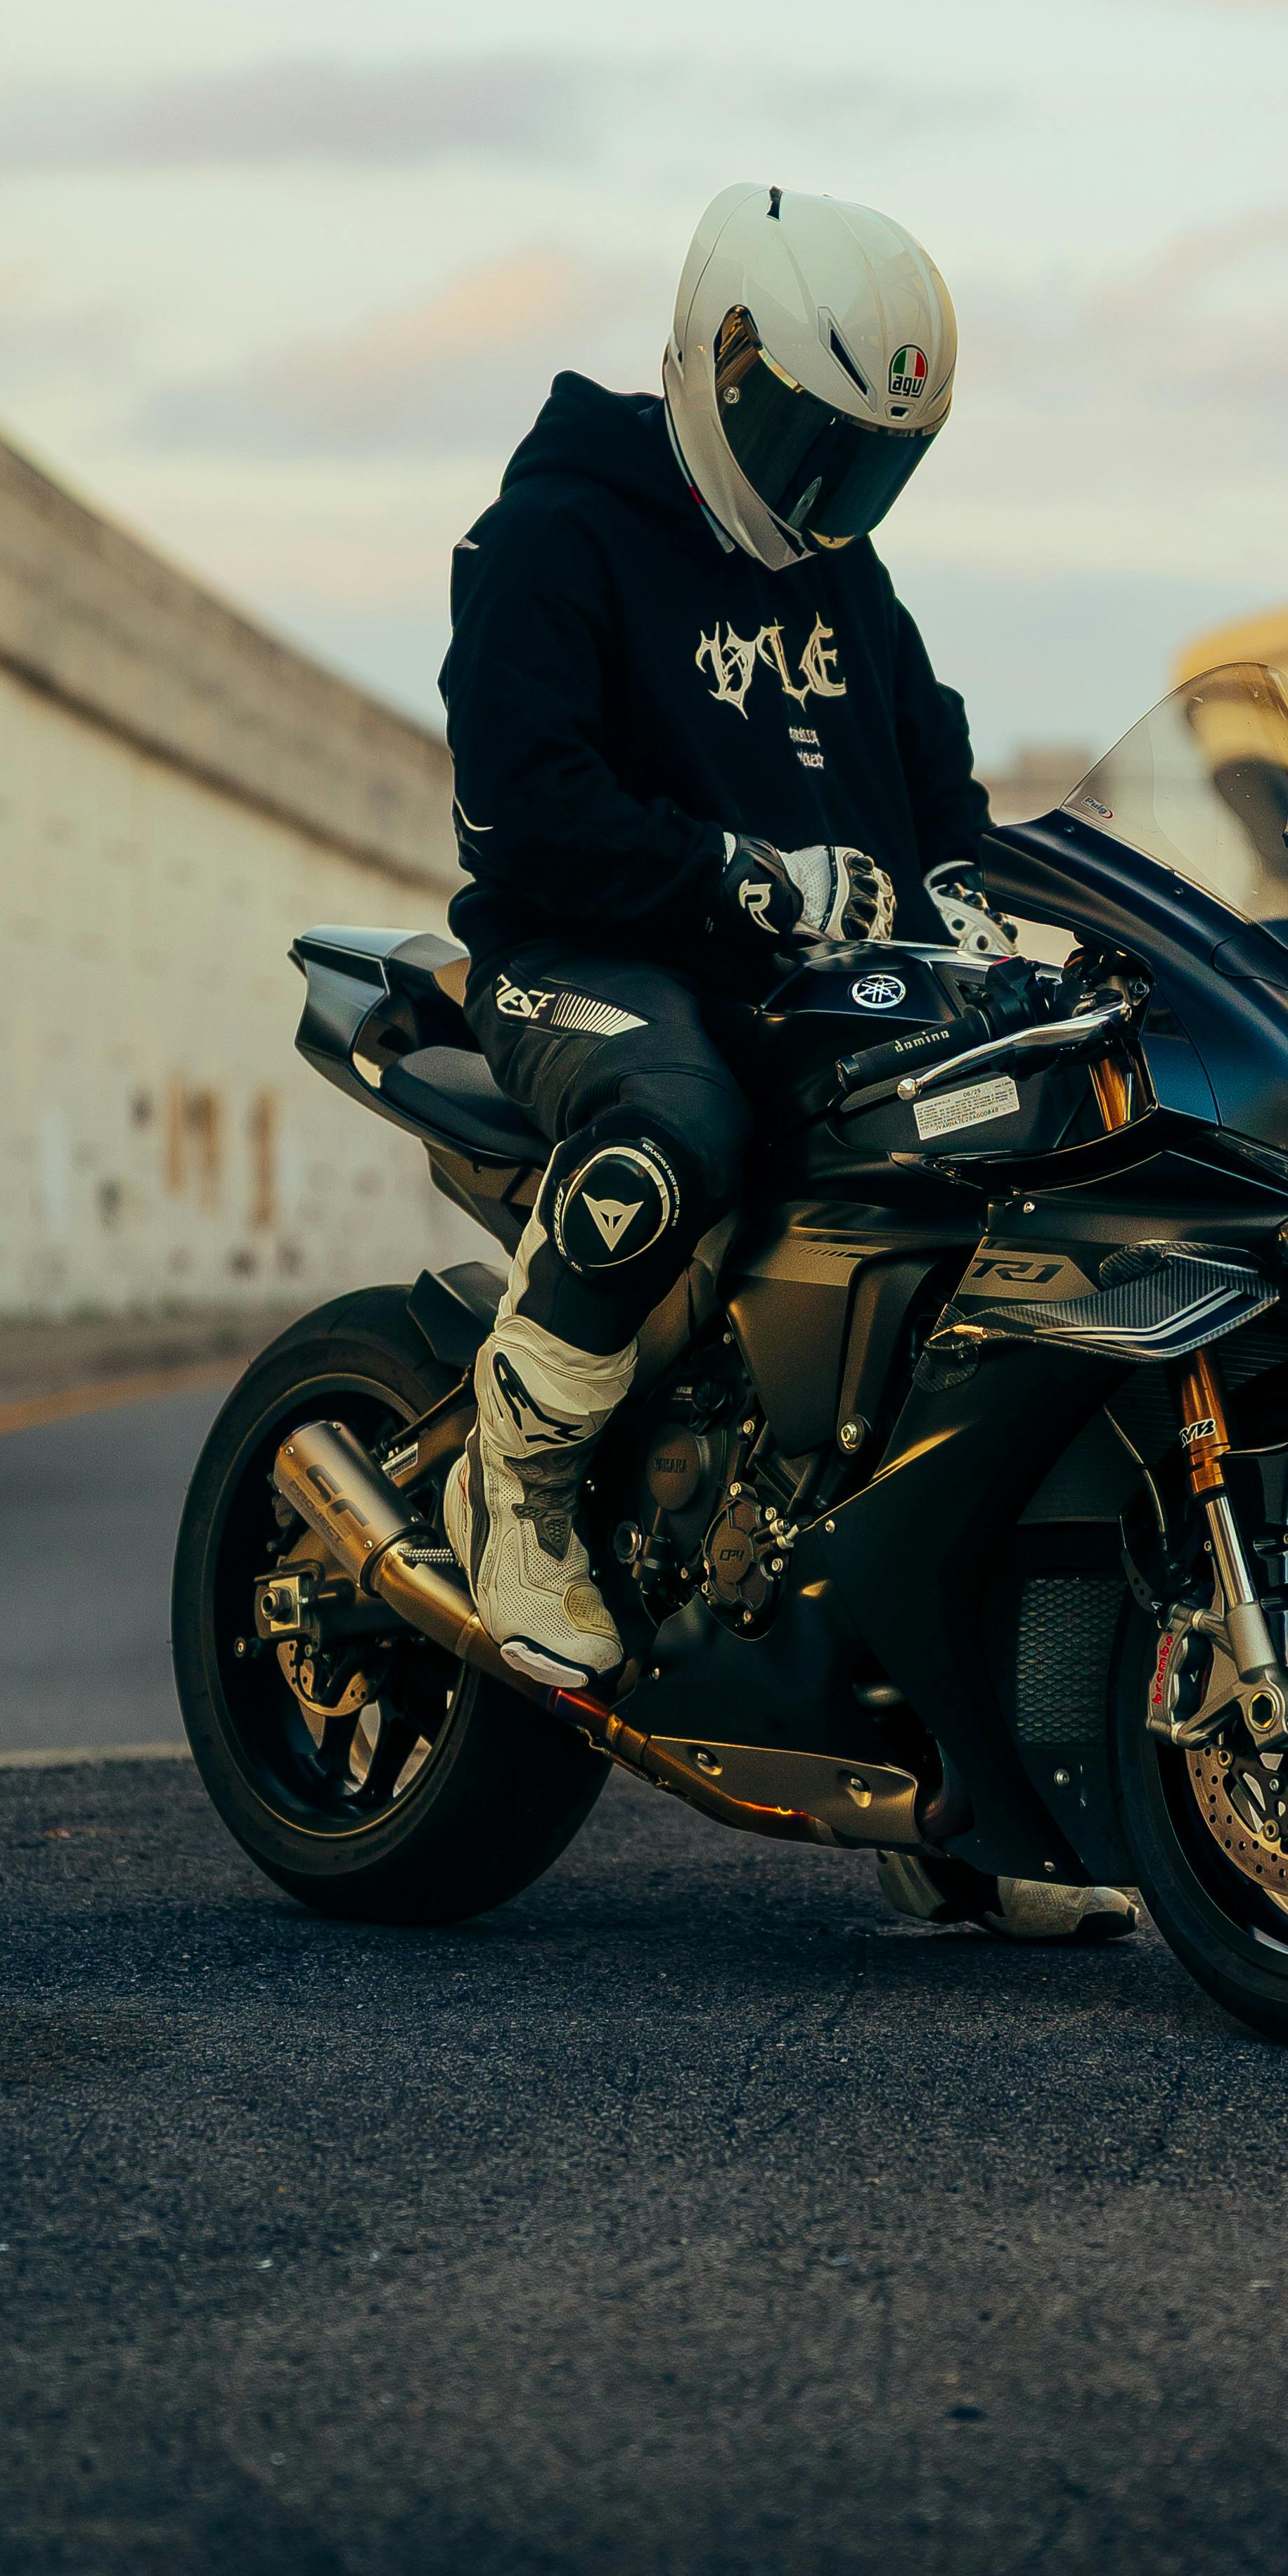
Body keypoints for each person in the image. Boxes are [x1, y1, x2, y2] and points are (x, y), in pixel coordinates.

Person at [439, 181, 1015, 1685]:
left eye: (871, 469)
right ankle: (524, 1484)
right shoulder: (557, 533)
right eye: (810, 447)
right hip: (575, 959)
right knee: (676, 1113)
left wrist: (970, 893)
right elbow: (519, 809)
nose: (829, 498)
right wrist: (744, 875)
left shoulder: (838, 569)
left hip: (811, 988)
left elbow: (935, 764)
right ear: (723, 360)